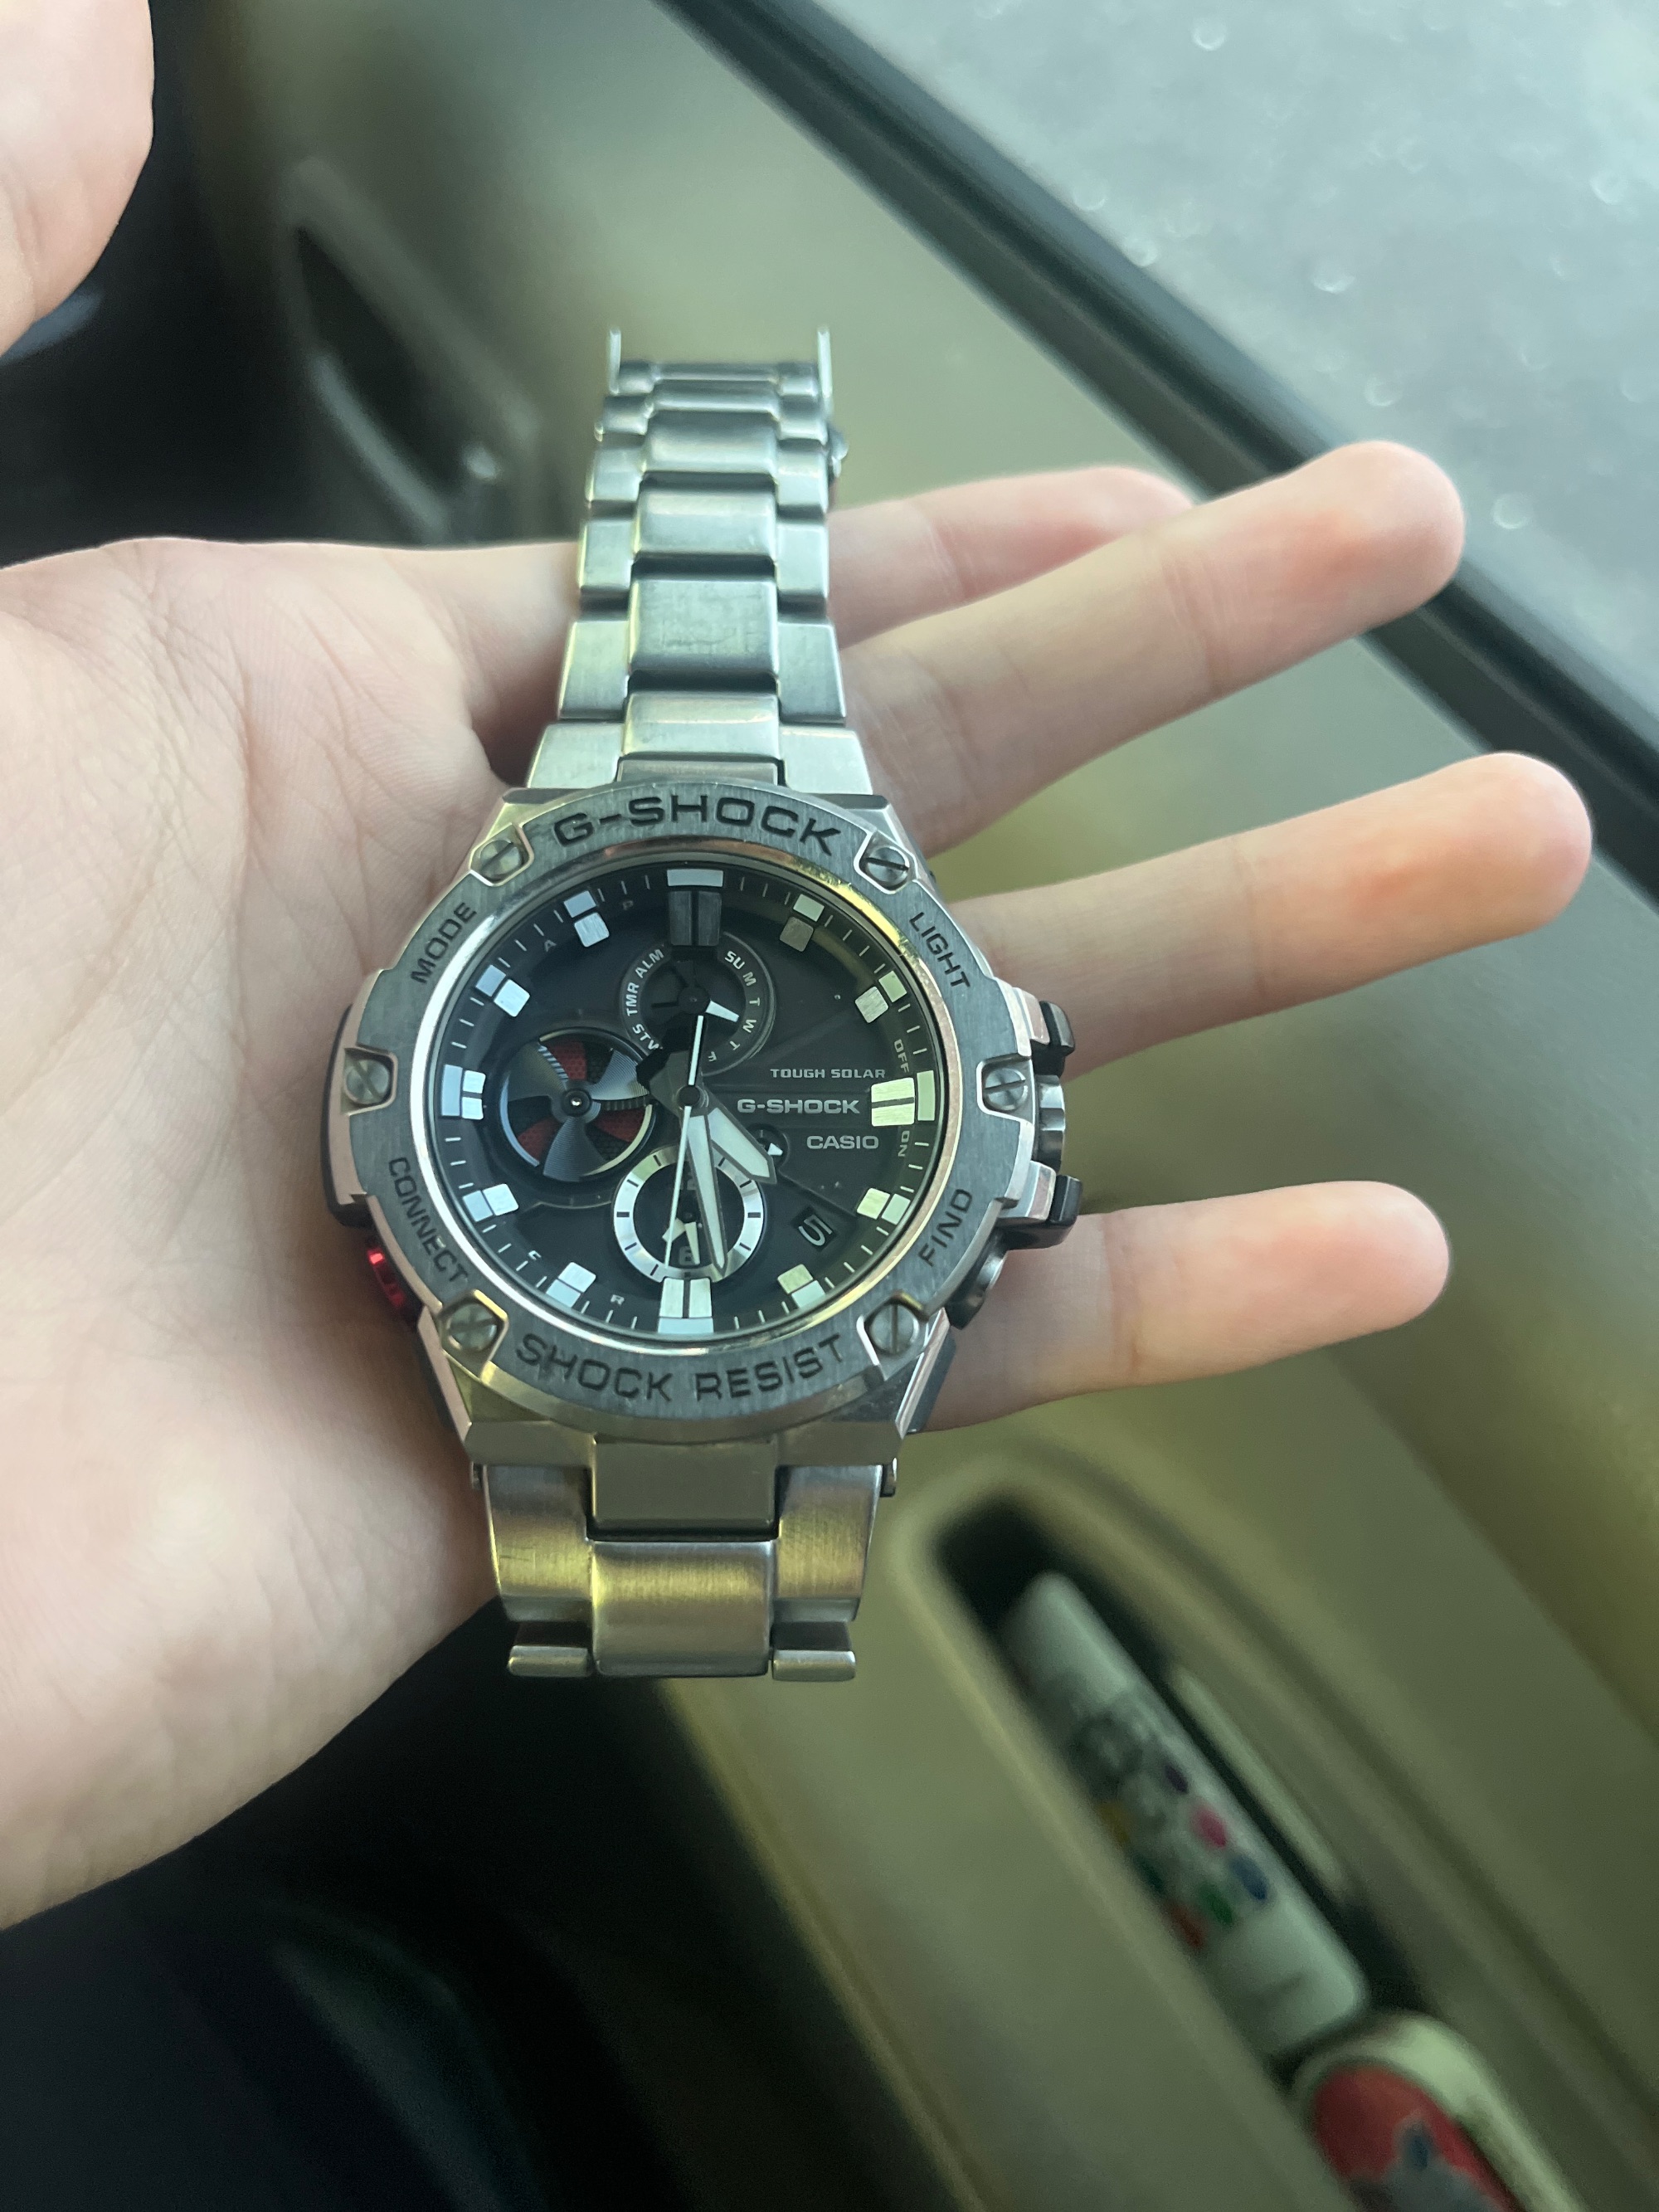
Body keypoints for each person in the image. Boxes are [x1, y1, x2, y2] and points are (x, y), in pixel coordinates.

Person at [0, 0, 1590, 1931]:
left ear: (1011, 1107)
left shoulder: (835, 1084)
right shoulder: (489, 1047)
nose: (668, 1086)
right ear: (379, 1112)